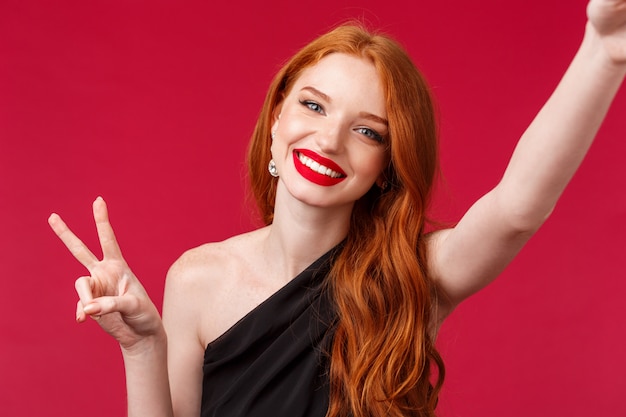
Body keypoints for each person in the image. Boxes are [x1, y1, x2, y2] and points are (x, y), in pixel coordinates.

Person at [48, 1, 626, 416]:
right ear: (278, 119)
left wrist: (603, 54)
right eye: (314, 106)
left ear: (387, 167)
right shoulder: (195, 278)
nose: (329, 140)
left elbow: (516, 208)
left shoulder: (411, 273)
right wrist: (143, 347)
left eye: (367, 132)